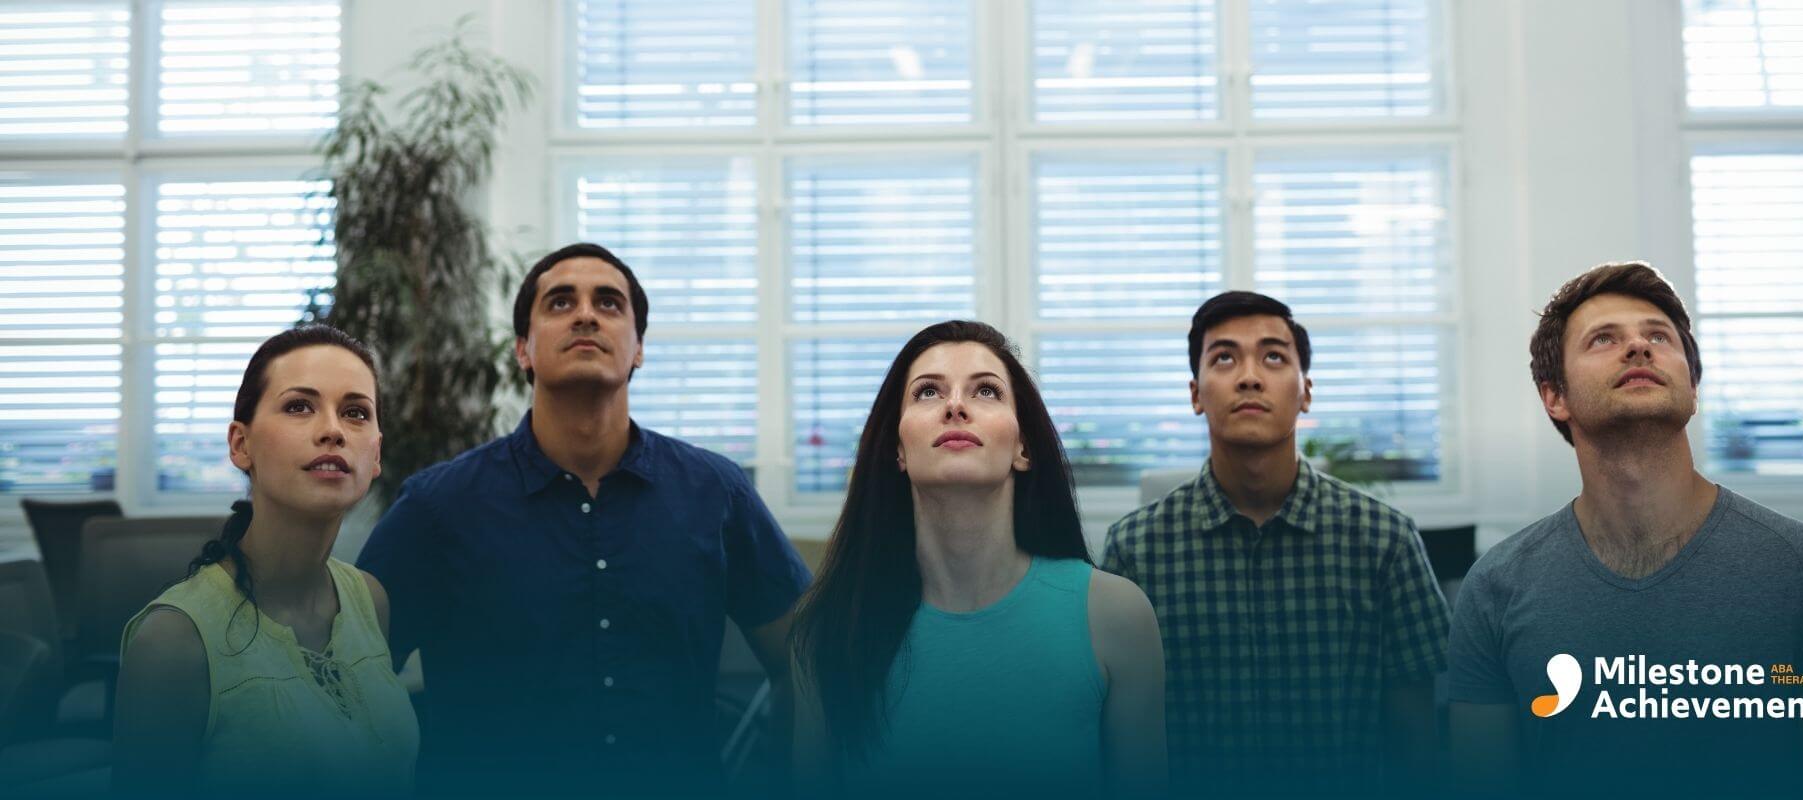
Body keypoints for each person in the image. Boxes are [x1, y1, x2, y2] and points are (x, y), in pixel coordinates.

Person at [356, 243, 811, 794]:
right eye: (560, 302)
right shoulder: (437, 507)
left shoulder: (716, 493)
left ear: (638, 348)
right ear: (524, 350)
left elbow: (805, 661)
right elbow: (349, 684)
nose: (586, 314)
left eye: (610, 303)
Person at [1448, 261, 1803, 797]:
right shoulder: (1497, 586)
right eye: (1603, 339)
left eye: (1658, 336)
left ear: (1693, 386)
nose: (1639, 348)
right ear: (1555, 397)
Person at [790, 320, 1166, 798]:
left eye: (986, 391)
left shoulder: (1116, 615)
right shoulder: (826, 628)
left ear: (1023, 447)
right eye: (927, 392)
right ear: (898, 451)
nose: (955, 406)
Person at [1101, 291, 1450, 795]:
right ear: (1196, 393)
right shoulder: (1135, 549)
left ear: (1305, 391)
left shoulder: (1384, 539)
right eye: (1224, 357)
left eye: (1273, 356)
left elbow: (1416, 746)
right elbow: (1121, 745)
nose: (1249, 375)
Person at [115, 324, 418, 794]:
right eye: (300, 406)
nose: (333, 430)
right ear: (241, 445)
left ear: (375, 455)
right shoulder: (174, 641)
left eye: (356, 412)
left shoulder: (371, 600)